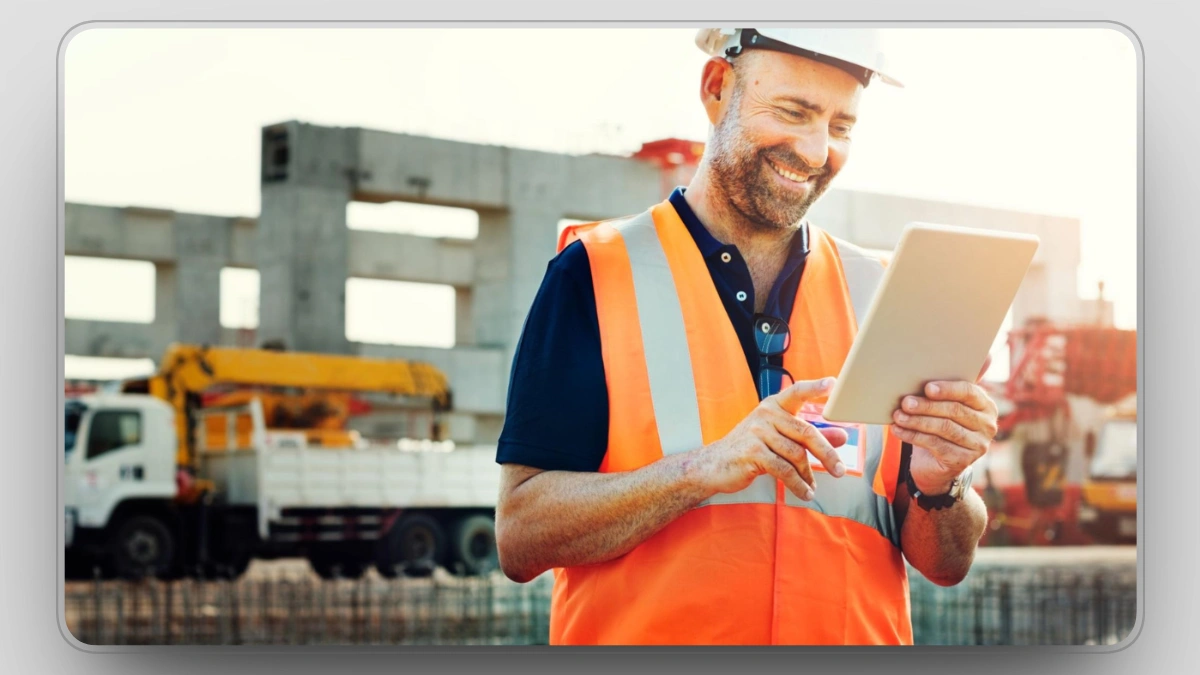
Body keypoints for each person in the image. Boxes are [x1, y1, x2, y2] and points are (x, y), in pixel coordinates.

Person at [493, 28, 998, 646]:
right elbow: (521, 537)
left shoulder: (882, 293)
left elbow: (946, 564)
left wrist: (942, 481)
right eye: (793, 112)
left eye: (841, 126)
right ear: (716, 89)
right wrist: (700, 470)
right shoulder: (596, 272)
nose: (816, 150)